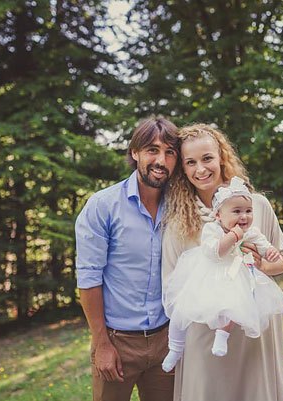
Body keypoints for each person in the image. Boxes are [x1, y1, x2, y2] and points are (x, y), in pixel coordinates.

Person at [162, 123, 283, 401]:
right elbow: (171, 286)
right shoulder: (179, 221)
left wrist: (262, 265)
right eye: (190, 162)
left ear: (221, 157)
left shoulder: (256, 205)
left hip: (254, 331)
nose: (200, 169)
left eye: (207, 158)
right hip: (205, 334)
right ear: (182, 168)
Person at [75, 117, 179, 401]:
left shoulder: (180, 205)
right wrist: (101, 343)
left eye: (170, 152)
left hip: (167, 340)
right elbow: (89, 278)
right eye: (152, 150)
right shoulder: (103, 205)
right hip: (117, 341)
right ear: (135, 152)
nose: (161, 160)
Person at [161, 176, 283, 372]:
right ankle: (175, 348)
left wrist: (270, 253)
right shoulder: (212, 229)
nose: (244, 217)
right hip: (206, 274)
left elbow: (265, 246)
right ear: (219, 215)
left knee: (232, 308)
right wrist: (233, 236)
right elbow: (214, 252)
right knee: (182, 310)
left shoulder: (252, 232)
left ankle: (221, 336)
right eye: (237, 211)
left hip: (233, 277)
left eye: (248, 211)